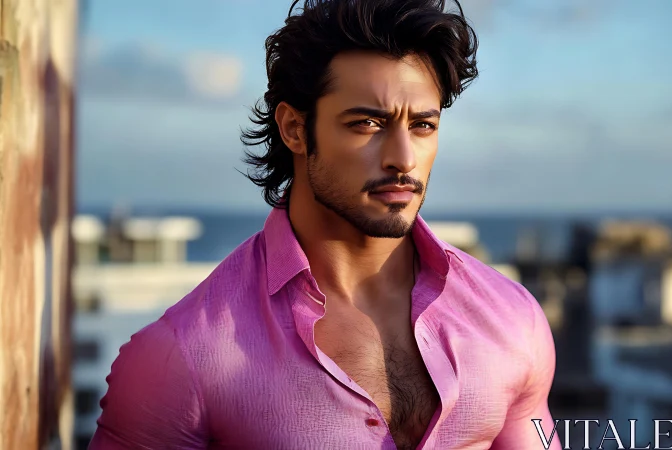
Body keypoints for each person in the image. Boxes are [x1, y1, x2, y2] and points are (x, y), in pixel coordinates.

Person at [89, 0, 560, 448]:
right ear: (295, 129)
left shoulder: (511, 321)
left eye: (422, 125)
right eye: (367, 124)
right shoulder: (182, 357)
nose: (403, 159)